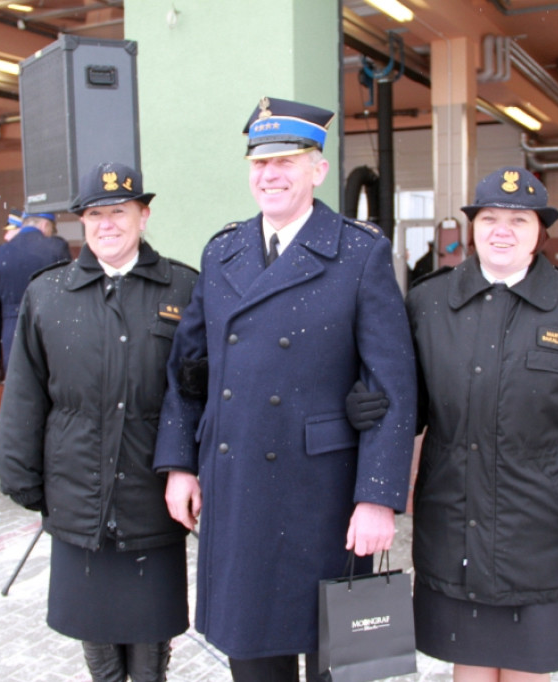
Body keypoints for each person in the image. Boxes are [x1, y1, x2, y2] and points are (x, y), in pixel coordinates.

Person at [153, 96, 417, 682]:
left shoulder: (358, 252)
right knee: (253, 660)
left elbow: (391, 385)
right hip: (238, 486)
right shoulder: (222, 252)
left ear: (317, 169)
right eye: (259, 164)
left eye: (286, 161)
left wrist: (378, 495)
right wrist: (179, 466)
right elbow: (188, 371)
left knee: (338, 665)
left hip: (324, 496)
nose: (269, 175)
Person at [405, 166, 558, 681]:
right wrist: (371, 407)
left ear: (541, 233)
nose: (502, 230)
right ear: (472, 226)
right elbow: (410, 407)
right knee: (468, 669)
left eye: (519, 219)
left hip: (543, 537)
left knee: (529, 670)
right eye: (489, 216)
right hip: (455, 529)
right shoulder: (429, 303)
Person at [0, 163, 197, 682]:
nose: (107, 224)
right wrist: (22, 478)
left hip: (151, 499)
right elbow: (24, 394)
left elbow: (200, 394)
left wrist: (195, 470)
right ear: (82, 223)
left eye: (119, 212)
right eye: (94, 215)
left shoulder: (184, 288)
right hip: (77, 496)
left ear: (143, 215)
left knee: (152, 647)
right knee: (99, 645)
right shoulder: (49, 294)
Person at [0, 207, 71, 383]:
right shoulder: (56, 248)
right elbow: (68, 295)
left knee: (19, 398)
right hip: (50, 334)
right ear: (45, 225)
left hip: (11, 339)